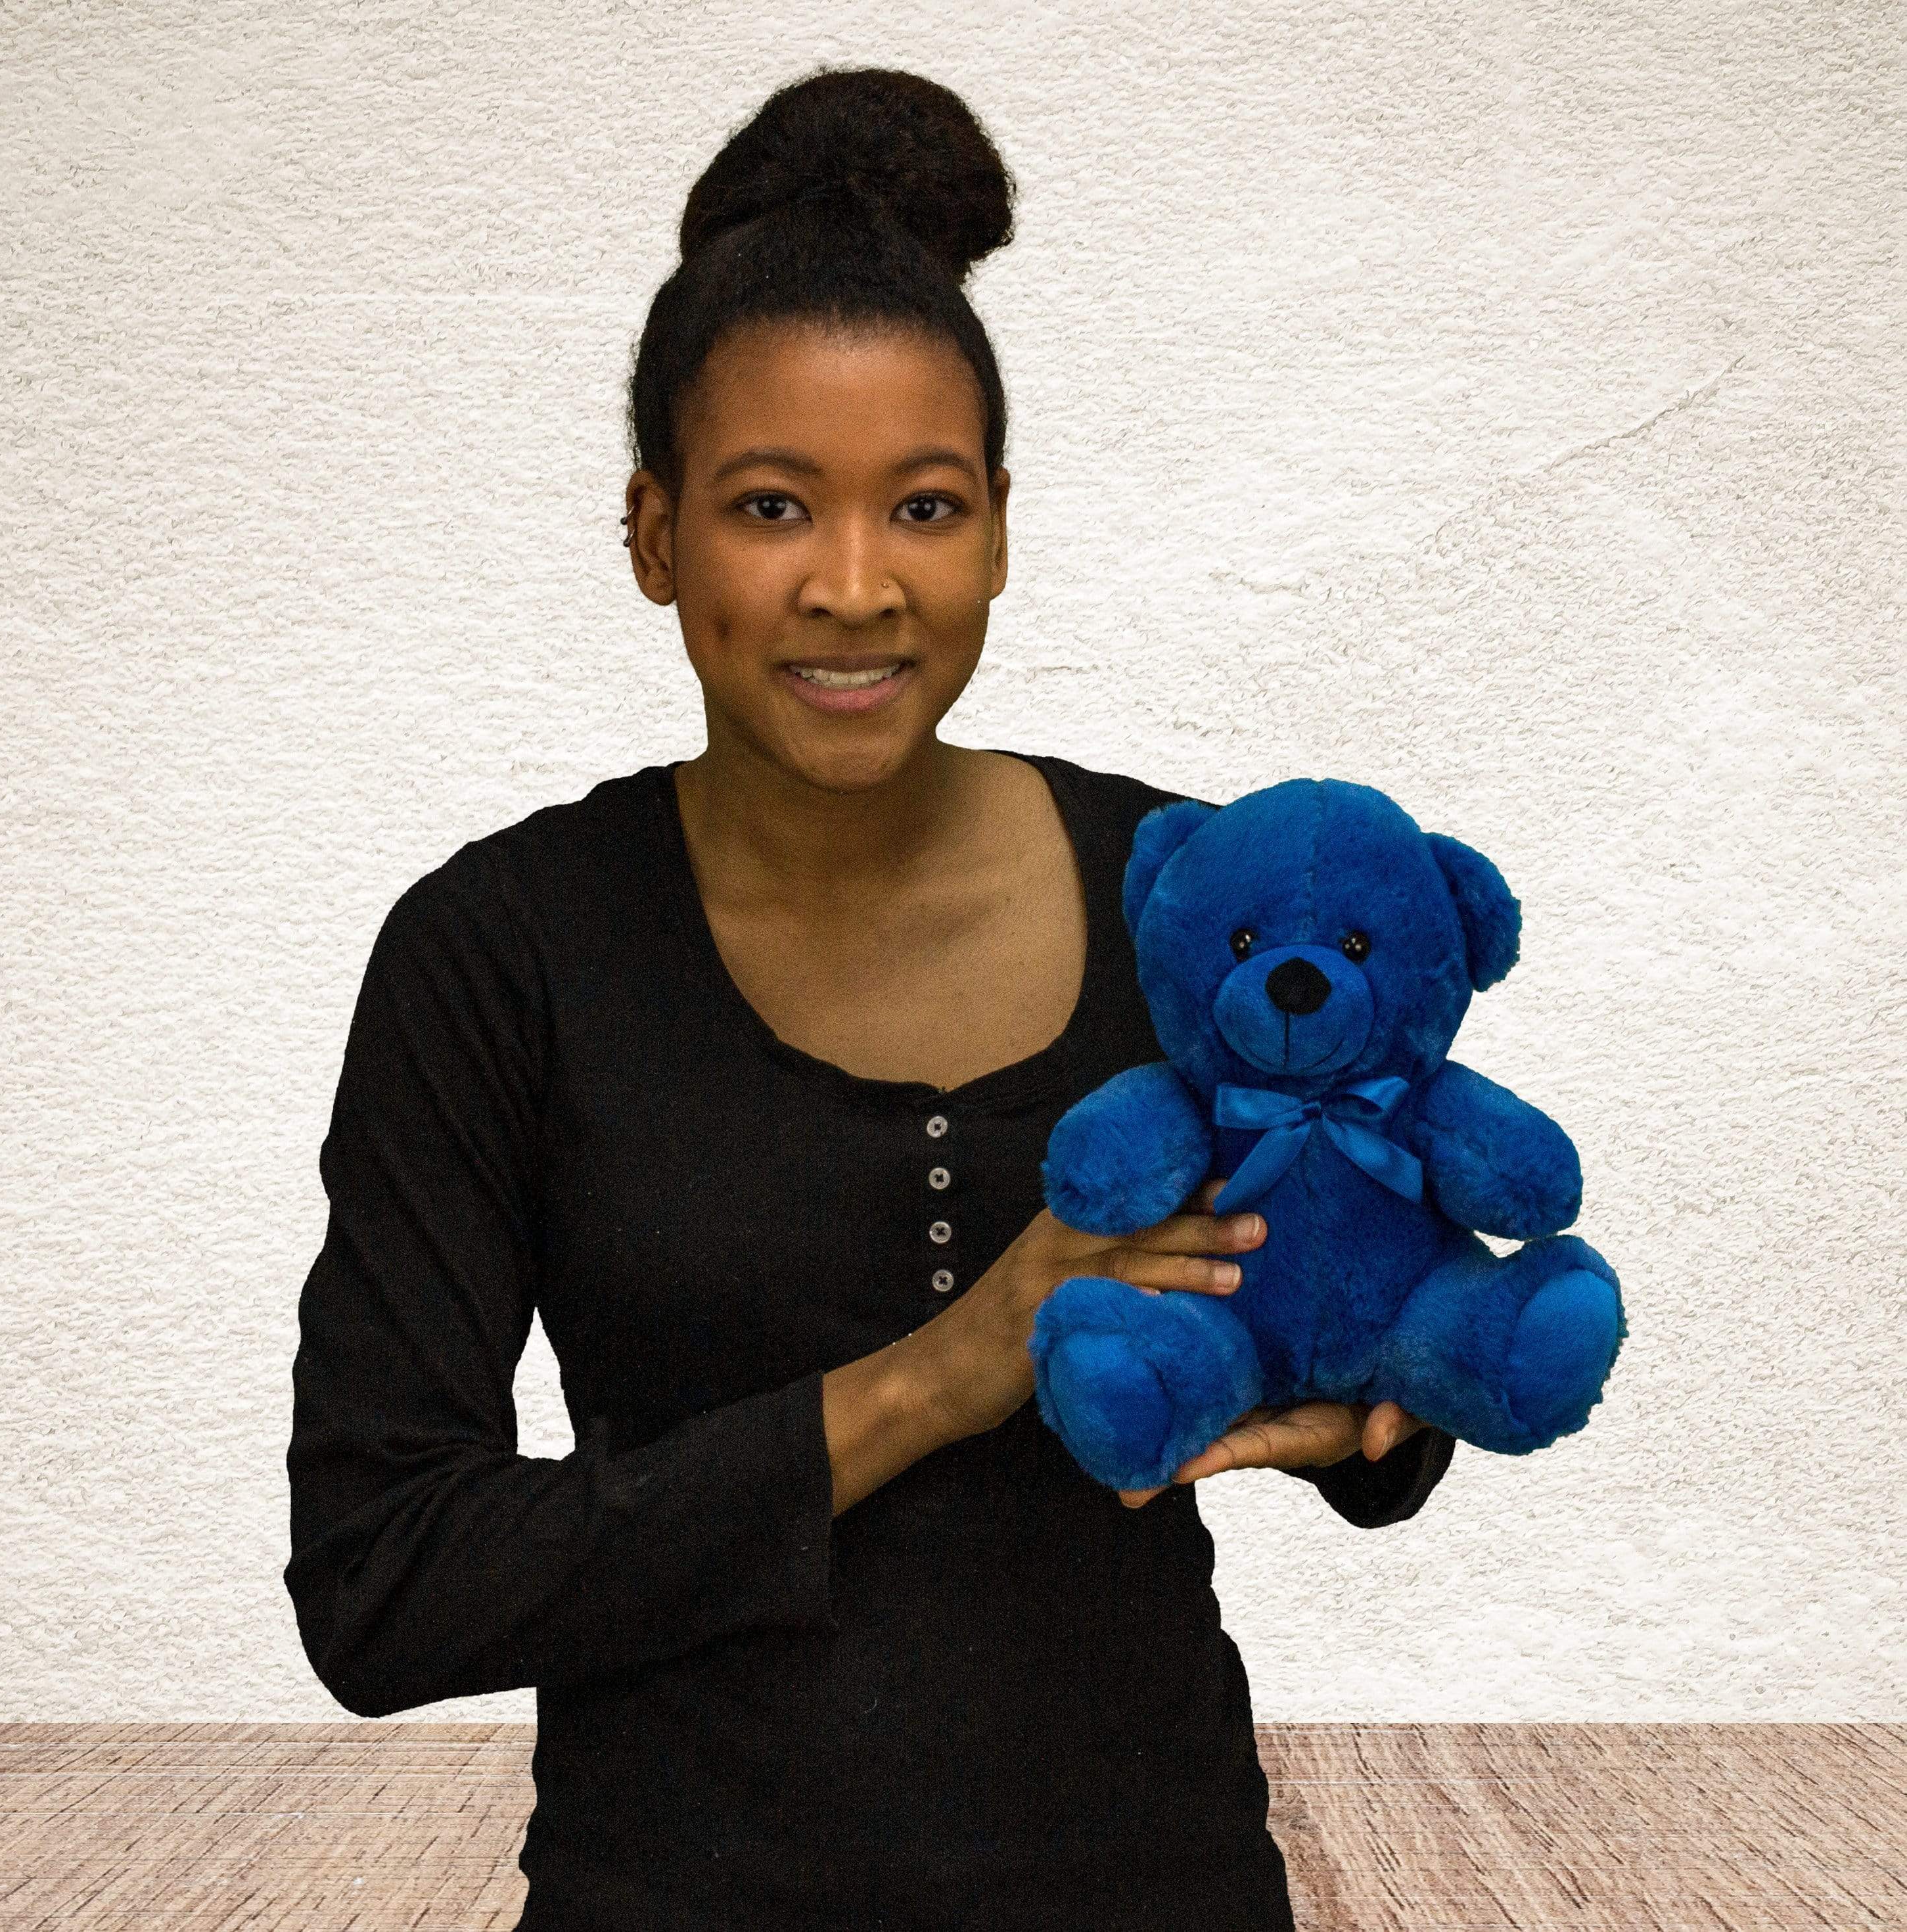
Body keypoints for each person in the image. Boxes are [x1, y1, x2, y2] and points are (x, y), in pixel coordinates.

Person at [283, 66, 1456, 1932]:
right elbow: (384, 1577)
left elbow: (1372, 1282)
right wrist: (931, 1375)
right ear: (652, 533)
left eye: (920, 505)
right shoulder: (498, 949)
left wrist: (1390, 1392)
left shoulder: (1198, 894)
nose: (853, 586)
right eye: (768, 506)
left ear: (997, 525)